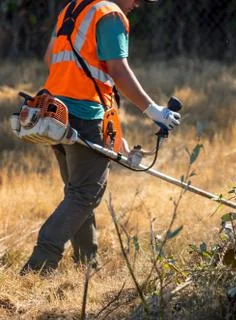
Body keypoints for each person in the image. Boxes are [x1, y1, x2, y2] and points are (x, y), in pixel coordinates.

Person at [20, 0, 181, 275]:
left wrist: (116, 138)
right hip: (85, 114)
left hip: (55, 112)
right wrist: (154, 110)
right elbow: (117, 70)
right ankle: (38, 266)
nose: (138, 5)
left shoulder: (74, 8)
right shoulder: (110, 14)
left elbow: (51, 59)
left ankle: (87, 266)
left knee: (77, 192)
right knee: (85, 193)